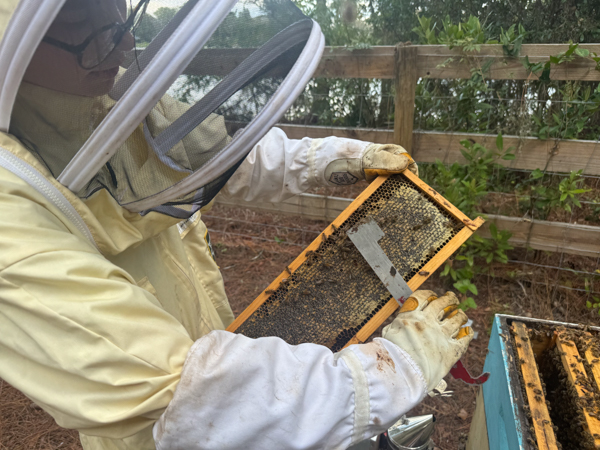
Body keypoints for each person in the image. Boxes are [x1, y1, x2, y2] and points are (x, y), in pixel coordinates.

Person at [0, 1, 474, 449]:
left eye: (121, 19)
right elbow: (197, 399)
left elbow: (219, 156)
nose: (123, 49)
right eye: (88, 30)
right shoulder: (10, 228)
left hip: (208, 335)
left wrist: (335, 159)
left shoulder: (106, 93)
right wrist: (396, 369)